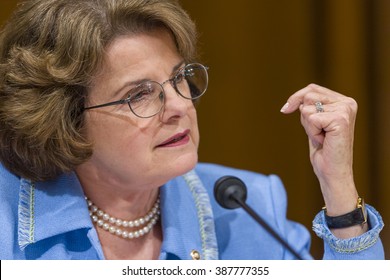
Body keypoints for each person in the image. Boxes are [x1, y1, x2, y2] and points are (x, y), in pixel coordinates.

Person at [0, 0, 384, 260]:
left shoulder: (248, 208)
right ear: (65, 118)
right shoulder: (7, 222)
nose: (182, 106)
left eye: (179, 77)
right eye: (140, 94)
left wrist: (338, 190)